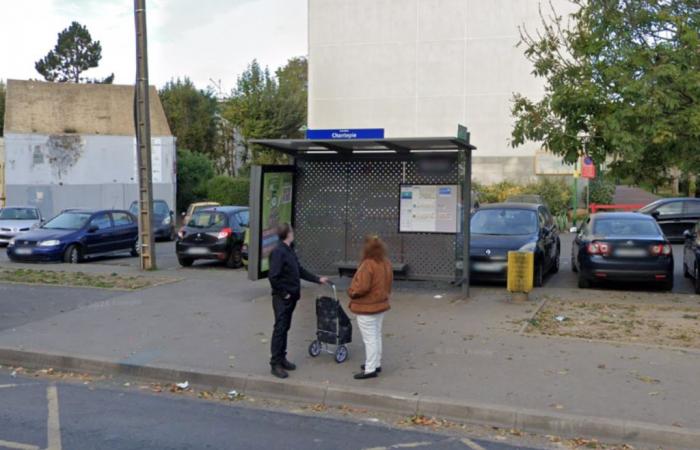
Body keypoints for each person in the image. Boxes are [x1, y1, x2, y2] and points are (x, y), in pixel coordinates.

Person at [268, 223, 329, 379]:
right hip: (283, 298)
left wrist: (317, 279)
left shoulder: (289, 250)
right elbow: (273, 276)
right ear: (288, 233)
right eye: (292, 231)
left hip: (291, 296)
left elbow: (298, 270)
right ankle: (275, 364)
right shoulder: (278, 252)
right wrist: (284, 293)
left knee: (285, 327)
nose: (293, 233)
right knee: (280, 329)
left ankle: (282, 358)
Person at [347, 235, 393, 380]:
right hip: (381, 304)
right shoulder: (385, 262)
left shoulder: (368, 264)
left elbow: (362, 287)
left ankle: (370, 369)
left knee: (369, 339)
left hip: (366, 306)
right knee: (376, 335)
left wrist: (352, 293)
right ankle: (375, 363)